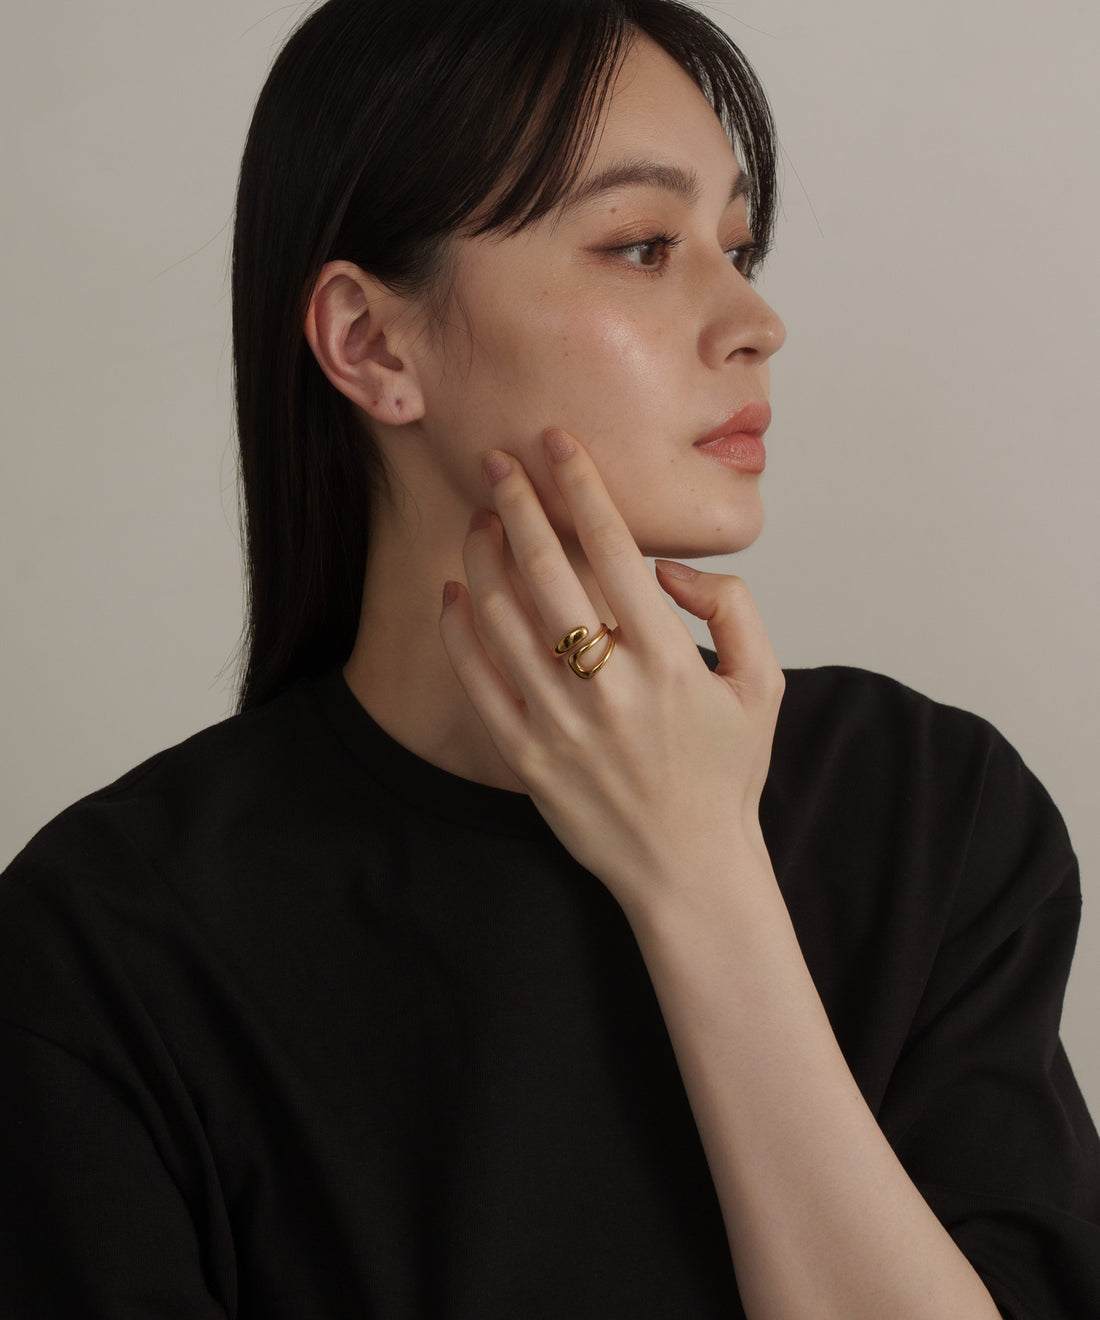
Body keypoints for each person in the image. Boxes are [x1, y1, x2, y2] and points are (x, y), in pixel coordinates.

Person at [1, 0, 1098, 1314]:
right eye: (642, 245)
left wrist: (701, 876)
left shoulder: (930, 815)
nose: (755, 318)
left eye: (738, 246)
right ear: (371, 342)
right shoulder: (108, 945)